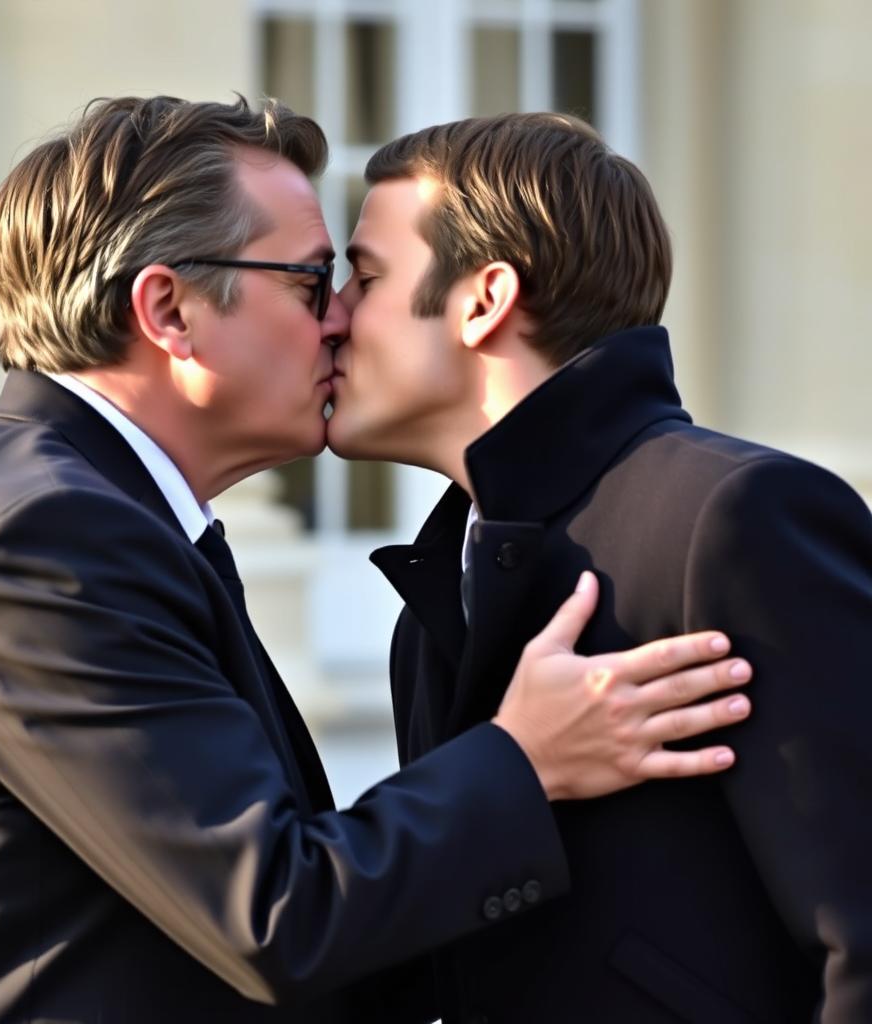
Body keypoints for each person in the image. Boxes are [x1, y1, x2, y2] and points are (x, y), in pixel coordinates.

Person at [0, 97, 750, 1024]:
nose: (341, 323)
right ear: (169, 309)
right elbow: (277, 913)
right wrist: (524, 758)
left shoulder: (92, 511)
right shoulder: (44, 541)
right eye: (313, 283)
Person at [327, 111, 872, 1023]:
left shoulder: (735, 517)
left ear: (484, 298)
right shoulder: (431, 598)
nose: (332, 317)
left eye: (365, 277)